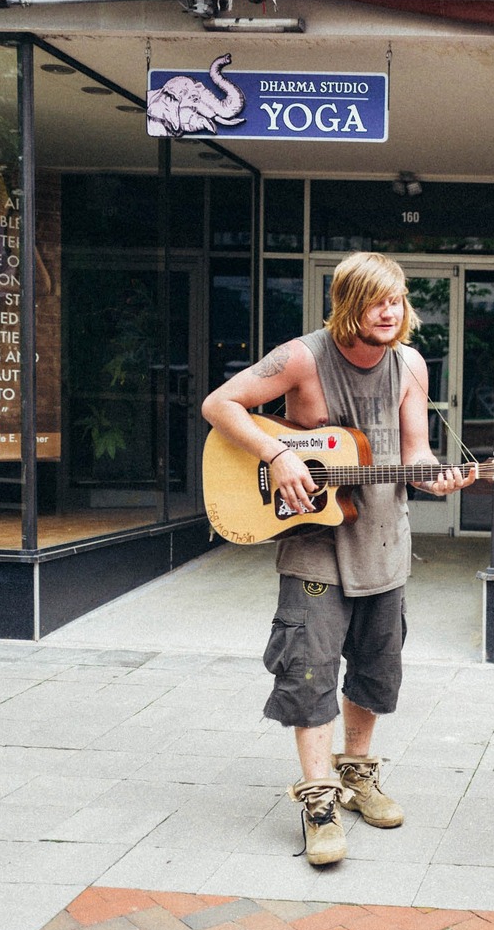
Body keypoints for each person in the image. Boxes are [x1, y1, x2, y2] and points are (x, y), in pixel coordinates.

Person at [201, 252, 475, 867]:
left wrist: (439, 479)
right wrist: (277, 455)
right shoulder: (302, 357)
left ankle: (356, 774)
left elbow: (418, 454)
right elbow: (220, 405)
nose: (390, 311)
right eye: (378, 300)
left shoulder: (410, 365)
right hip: (314, 550)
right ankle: (319, 800)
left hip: (383, 542)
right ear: (349, 301)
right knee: (310, 671)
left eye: (398, 300)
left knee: (376, 672)